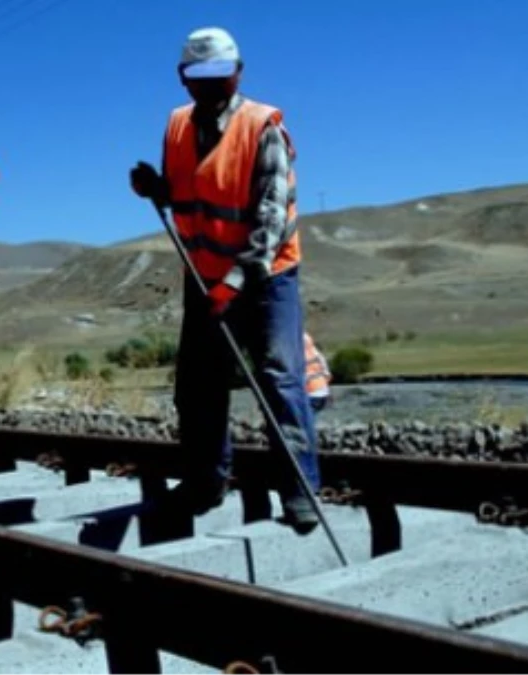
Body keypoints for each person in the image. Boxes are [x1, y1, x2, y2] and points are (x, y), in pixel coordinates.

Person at [129, 26, 321, 533]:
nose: (212, 86)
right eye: (200, 77)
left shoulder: (263, 127)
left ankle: (300, 490)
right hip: (205, 274)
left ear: (238, 72)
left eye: (220, 76)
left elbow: (272, 217)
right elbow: (192, 189)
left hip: (265, 275)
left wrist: (236, 281)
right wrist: (158, 189)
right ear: (183, 79)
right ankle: (205, 483)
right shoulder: (175, 126)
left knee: (279, 379)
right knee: (197, 385)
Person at [305, 332, 331, 412]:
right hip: (323, 392)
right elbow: (327, 374)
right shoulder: (315, 352)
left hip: (310, 394)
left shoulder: (297, 353)